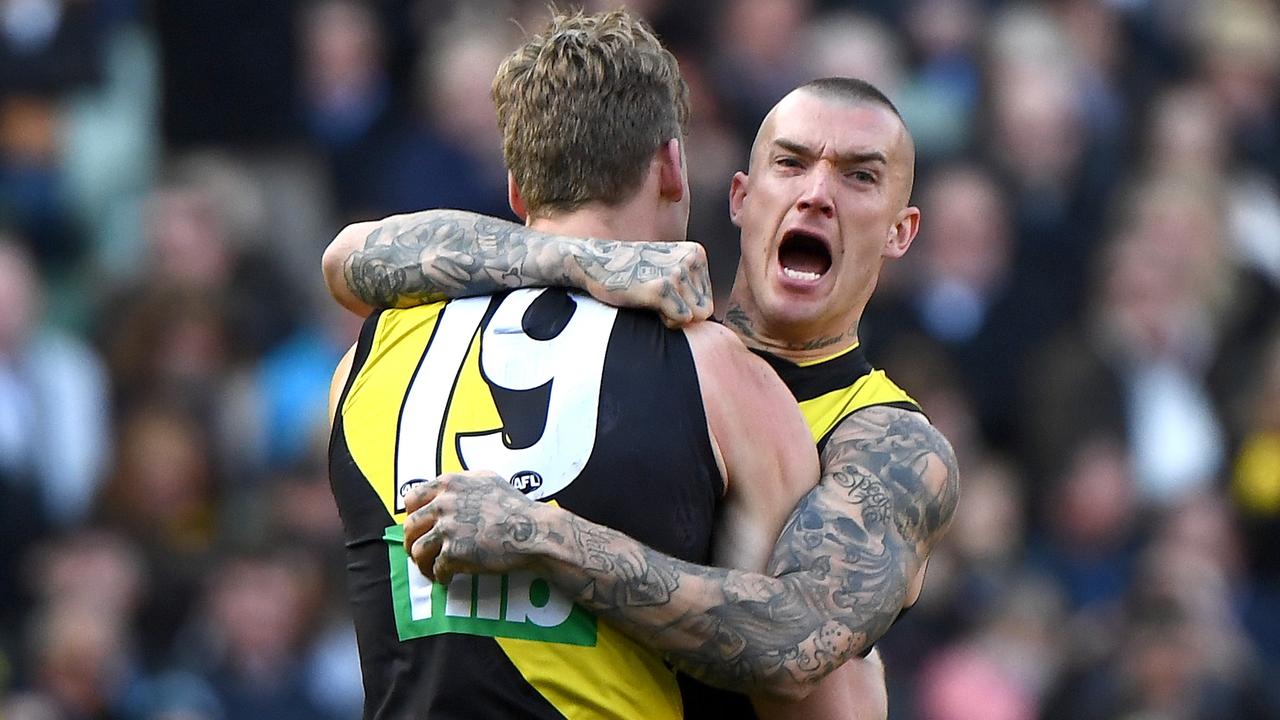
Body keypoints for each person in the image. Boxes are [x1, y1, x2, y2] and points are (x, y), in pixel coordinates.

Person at [325, 75, 960, 718]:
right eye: (790, 164)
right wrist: (583, 259)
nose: (816, 194)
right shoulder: (635, 340)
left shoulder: (889, 443)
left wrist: (547, 538)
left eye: (859, 177)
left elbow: (794, 645)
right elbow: (350, 259)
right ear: (742, 196)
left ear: (900, 232)